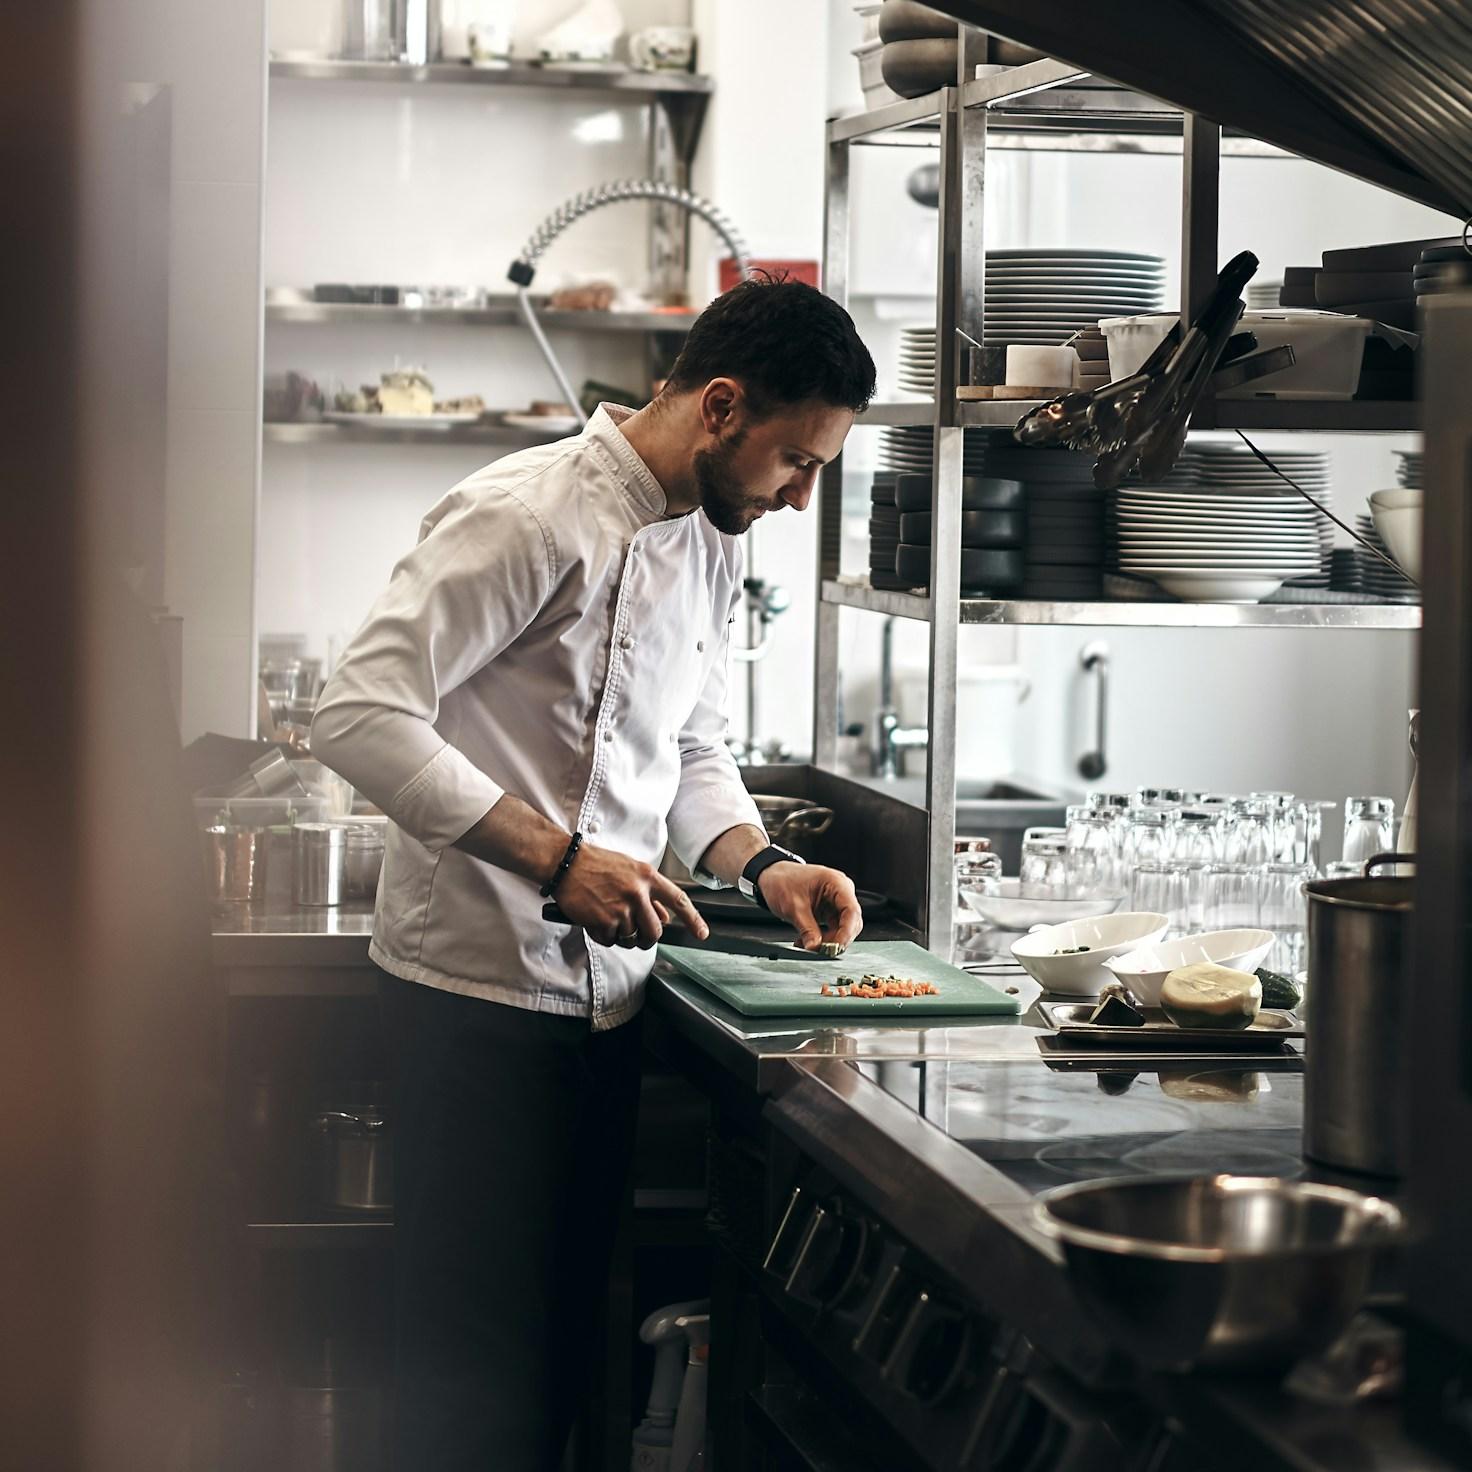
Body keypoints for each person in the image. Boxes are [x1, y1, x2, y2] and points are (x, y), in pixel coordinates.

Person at [311, 277, 877, 1470]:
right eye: (795, 459)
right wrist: (553, 857)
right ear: (719, 406)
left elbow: (686, 743)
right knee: (465, 1380)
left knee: (562, 1366)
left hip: (608, 1007)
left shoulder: (712, 540)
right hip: (468, 999)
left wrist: (761, 861)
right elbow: (356, 711)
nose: (799, 495)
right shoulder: (524, 512)